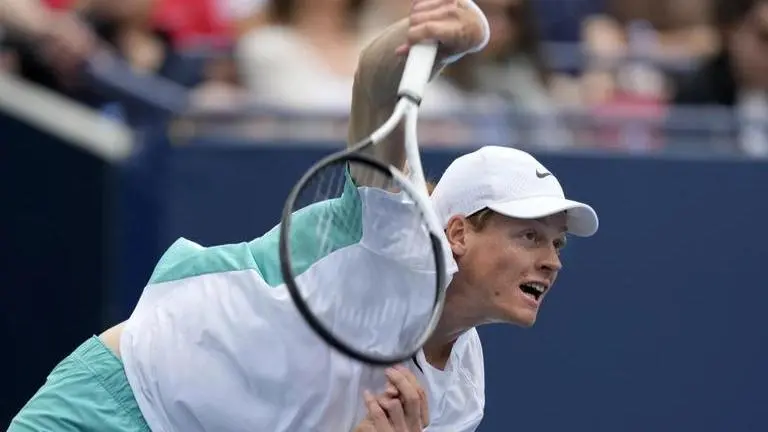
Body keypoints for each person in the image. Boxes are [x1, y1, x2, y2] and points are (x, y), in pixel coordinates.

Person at [9, 1, 599, 432]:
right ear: (458, 232)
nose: (550, 260)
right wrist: (452, 35)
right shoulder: (394, 234)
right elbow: (377, 77)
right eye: (529, 236)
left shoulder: (461, 397)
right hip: (126, 399)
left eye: (556, 245)